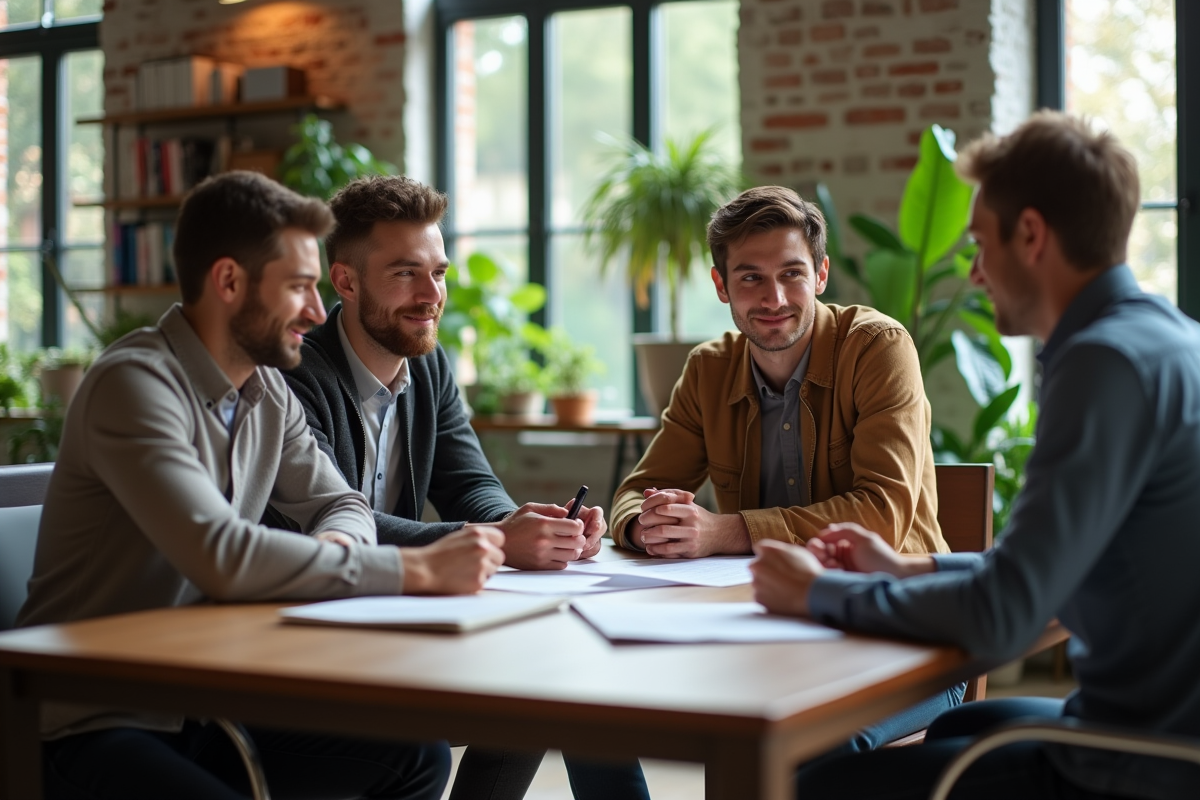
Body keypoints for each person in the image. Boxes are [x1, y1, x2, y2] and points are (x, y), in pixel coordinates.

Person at [753, 111, 1200, 800]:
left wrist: (815, 593)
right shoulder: (1168, 338)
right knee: (979, 721)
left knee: (823, 784)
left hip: (1143, 759)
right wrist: (910, 567)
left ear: (1031, 235)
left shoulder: (1101, 365)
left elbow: (1006, 613)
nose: (974, 270)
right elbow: (1044, 567)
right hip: (1158, 723)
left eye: (981, 243)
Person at [19, 171, 505, 800]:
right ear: (228, 283)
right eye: (299, 286)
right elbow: (222, 556)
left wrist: (339, 547)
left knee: (416, 756)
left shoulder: (268, 388)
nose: (314, 310)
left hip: (209, 703)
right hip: (93, 717)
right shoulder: (134, 385)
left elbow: (341, 502)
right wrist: (416, 571)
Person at [277, 174, 650, 800]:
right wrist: (500, 540)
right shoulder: (292, 376)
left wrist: (534, 525)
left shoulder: (428, 364)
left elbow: (469, 483)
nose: (431, 295)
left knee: (557, 663)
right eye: (404, 273)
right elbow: (328, 521)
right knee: (538, 674)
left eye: (439, 272)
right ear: (344, 281)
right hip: (315, 627)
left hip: (396, 609)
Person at [609, 184, 957, 753]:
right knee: (600, 712)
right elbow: (637, 489)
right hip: (768, 630)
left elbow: (882, 516)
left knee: (806, 748)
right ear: (722, 286)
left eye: (791, 274)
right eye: (750, 277)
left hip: (904, 638)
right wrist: (643, 523)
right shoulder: (709, 370)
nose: (773, 297)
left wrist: (723, 530)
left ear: (820, 275)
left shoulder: (878, 347)